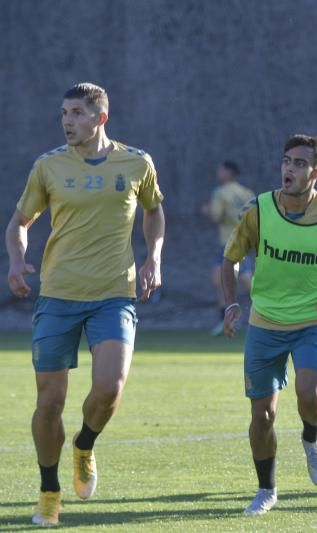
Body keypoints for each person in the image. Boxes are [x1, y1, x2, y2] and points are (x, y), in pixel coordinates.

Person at [4, 82, 165, 526]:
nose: (67, 121)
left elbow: (154, 211)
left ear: (101, 118)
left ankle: (86, 443)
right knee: (50, 401)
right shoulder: (49, 166)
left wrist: (153, 257)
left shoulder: (137, 163)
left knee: (110, 388)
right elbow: (19, 222)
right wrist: (17, 260)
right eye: (63, 113)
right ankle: (49, 490)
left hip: (114, 293)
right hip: (57, 295)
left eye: (76, 113)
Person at [222, 134, 317, 515]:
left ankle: (311, 439)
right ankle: (266, 490)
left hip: (313, 321)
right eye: (287, 160)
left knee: (310, 394)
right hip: (264, 323)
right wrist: (230, 304)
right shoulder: (258, 209)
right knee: (263, 415)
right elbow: (231, 260)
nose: (289, 168)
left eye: (300, 164)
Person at [202, 160, 255, 335]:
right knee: (222, 277)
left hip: (228, 242)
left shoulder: (220, 193)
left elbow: (216, 217)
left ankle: (261, 312)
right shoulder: (247, 193)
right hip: (244, 241)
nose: (218, 172)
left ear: (227, 172)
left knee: (230, 279)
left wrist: (207, 210)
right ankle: (227, 319)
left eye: (220, 170)